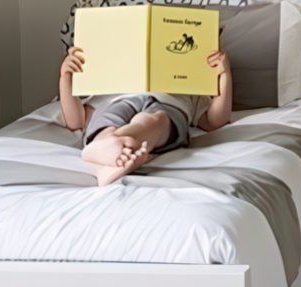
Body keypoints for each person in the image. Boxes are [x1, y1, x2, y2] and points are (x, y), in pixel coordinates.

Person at [59, 46, 232, 185]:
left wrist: (225, 76)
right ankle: (111, 145)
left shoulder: (190, 84)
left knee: (155, 120)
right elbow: (76, 122)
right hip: (118, 99)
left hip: (167, 104)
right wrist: (65, 78)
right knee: (113, 121)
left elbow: (214, 121)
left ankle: (107, 147)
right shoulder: (108, 81)